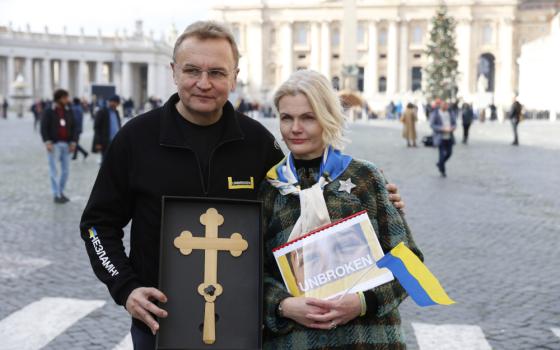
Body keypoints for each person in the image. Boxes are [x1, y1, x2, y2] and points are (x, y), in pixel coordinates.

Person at [80, 21, 406, 350]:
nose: (203, 83)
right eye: (192, 70)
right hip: (160, 320)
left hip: (243, 324)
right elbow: (97, 225)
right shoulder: (135, 139)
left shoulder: (258, 144)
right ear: (174, 72)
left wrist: (378, 199)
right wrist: (125, 286)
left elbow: (303, 203)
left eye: (218, 73)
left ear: (235, 76)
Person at [259, 70, 422, 349]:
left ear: (327, 118)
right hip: (296, 341)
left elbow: (410, 263)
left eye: (308, 117)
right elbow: (251, 274)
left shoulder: (364, 177)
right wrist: (284, 305)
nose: (295, 128)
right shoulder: (269, 189)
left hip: (368, 338)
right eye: (287, 118)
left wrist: (362, 302)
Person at [40, 89, 77, 203]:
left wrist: (73, 142)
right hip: (54, 144)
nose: (67, 100)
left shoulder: (69, 110)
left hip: (67, 144)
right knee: (54, 170)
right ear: (59, 98)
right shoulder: (48, 111)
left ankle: (61, 191)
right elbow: (44, 128)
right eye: (65, 98)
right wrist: (47, 142)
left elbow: (75, 127)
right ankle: (56, 194)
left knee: (66, 171)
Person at [429, 100, 457, 177]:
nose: (445, 106)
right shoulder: (435, 113)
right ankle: (442, 170)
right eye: (444, 105)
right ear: (440, 105)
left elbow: (454, 123)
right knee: (441, 155)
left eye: (446, 105)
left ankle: (439, 164)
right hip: (440, 138)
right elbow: (432, 125)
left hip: (449, 137)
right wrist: (442, 129)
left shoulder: (450, 113)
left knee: (449, 153)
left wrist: (453, 128)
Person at [92, 94, 122, 160]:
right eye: (112, 102)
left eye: (116, 102)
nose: (114, 104)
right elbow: (97, 128)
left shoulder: (116, 112)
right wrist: (98, 142)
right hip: (105, 142)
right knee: (105, 161)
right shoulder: (102, 112)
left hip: (116, 142)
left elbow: (118, 125)